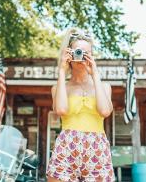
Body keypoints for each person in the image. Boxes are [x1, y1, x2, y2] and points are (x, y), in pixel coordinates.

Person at [46, 28, 115, 182]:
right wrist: (62, 72)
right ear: (70, 54)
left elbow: (104, 111)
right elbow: (61, 110)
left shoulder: (104, 87)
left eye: (86, 53)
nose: (81, 56)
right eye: (78, 51)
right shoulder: (58, 88)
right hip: (66, 146)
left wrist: (95, 74)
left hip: (97, 148)